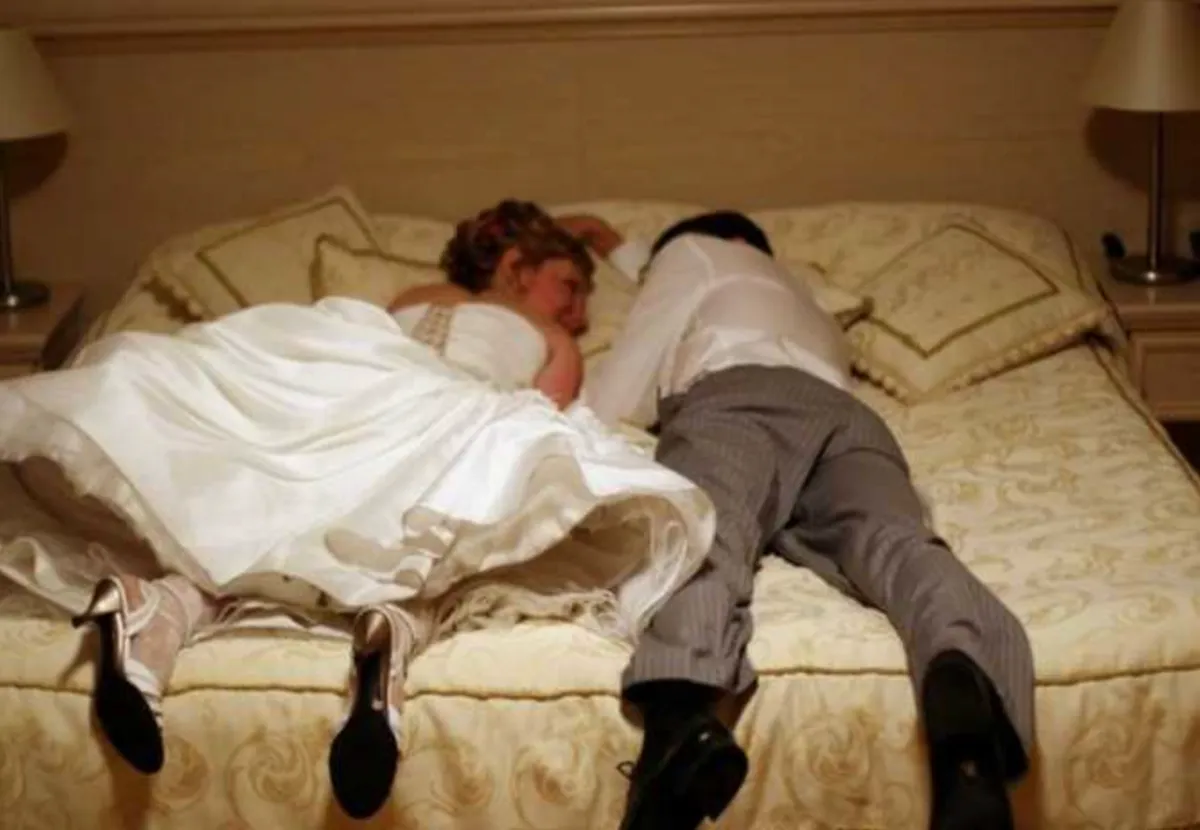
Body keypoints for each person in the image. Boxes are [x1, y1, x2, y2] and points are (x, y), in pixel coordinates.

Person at [0, 200, 714, 822]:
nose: (579, 313)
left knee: (254, 516)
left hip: (333, 394)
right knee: (480, 509)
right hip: (430, 403)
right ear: (517, 265)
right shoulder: (548, 336)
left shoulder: (414, 295)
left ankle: (155, 610)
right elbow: (550, 407)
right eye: (570, 287)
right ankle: (392, 631)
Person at [558, 210, 1034, 830]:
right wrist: (617, 246)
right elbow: (656, 272)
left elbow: (623, 386)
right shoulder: (810, 303)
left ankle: (678, 721)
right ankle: (963, 688)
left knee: (708, 535)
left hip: (738, 394)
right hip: (848, 417)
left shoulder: (696, 250)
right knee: (898, 543)